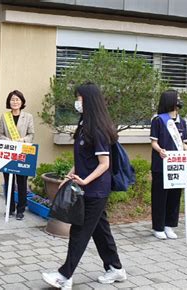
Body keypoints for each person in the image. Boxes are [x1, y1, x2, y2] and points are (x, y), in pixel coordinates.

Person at [42, 83, 126, 289]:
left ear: (89, 100)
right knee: (100, 230)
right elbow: (82, 158)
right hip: (86, 186)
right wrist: (70, 175)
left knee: (79, 232)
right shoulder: (85, 125)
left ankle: (64, 275)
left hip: (96, 190)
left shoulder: (98, 130)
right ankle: (116, 268)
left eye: (79, 98)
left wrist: (86, 181)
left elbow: (104, 164)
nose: (77, 102)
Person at [150, 90, 187, 240]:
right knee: (160, 197)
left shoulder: (181, 122)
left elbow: (182, 144)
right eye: (178, 98)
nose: (180, 101)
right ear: (170, 101)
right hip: (161, 166)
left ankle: (169, 225)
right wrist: (160, 150)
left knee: (174, 197)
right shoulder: (158, 120)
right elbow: (154, 143)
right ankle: (158, 227)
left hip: (178, 166)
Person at [0, 90, 34, 220]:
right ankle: (10, 208)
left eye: (17, 99)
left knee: (22, 182)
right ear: (9, 102)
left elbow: (31, 135)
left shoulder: (28, 117)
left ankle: (21, 210)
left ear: (22, 102)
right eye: (12, 99)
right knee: (8, 182)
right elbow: (0, 134)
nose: (15, 102)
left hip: (22, 153)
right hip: (8, 154)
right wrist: (7, 140)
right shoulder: (4, 116)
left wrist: (21, 140)